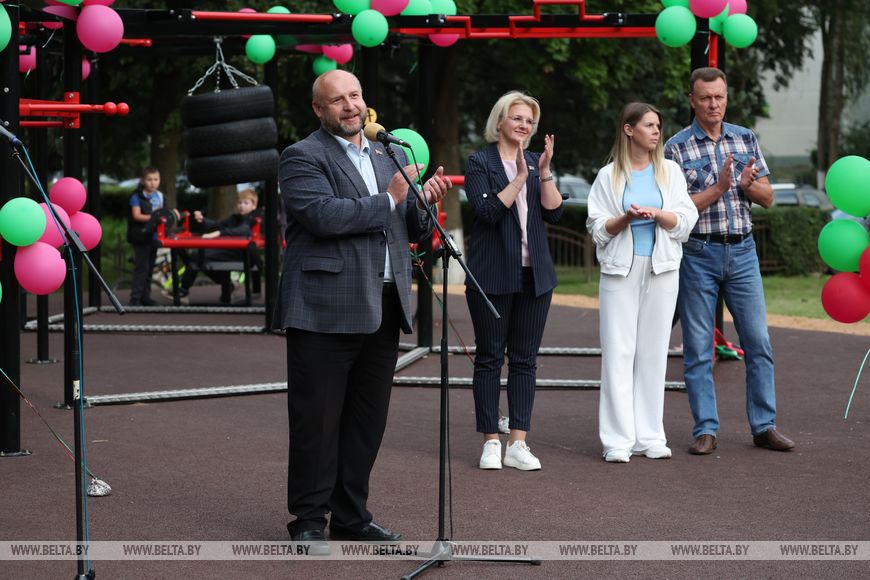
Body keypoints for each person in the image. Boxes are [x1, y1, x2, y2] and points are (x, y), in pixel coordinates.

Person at [273, 69, 450, 552]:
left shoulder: (389, 153)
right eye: (337, 100)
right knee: (316, 420)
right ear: (319, 109)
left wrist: (423, 203)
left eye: (354, 96)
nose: (349, 106)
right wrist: (391, 197)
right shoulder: (302, 156)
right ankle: (309, 520)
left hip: (384, 304)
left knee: (366, 422)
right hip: (324, 308)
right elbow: (323, 216)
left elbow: (407, 227)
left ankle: (351, 516)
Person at [664, 67, 795, 455]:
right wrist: (720, 188)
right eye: (705, 98)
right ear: (692, 100)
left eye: (719, 97)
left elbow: (768, 198)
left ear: (727, 98)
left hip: (742, 252)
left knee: (758, 342)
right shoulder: (675, 147)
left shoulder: (744, 137)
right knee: (698, 348)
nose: (713, 104)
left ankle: (764, 426)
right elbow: (676, 209)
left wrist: (747, 186)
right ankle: (705, 429)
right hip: (698, 253)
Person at [587, 102, 698, 463]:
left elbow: (685, 221)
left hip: (663, 268)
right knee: (618, 352)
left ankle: (649, 435)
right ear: (628, 129)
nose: (656, 131)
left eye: (658, 125)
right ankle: (617, 440)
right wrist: (626, 218)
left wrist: (659, 214)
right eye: (649, 125)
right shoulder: (608, 176)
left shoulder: (671, 172)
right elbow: (597, 228)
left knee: (653, 352)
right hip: (620, 270)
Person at [464, 91, 563, 471]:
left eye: (529, 121)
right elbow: (487, 210)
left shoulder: (538, 162)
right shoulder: (480, 162)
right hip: (491, 274)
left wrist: (543, 172)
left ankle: (518, 442)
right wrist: (520, 177)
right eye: (517, 118)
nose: (524, 125)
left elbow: (553, 213)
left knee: (525, 360)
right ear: (500, 120)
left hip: (535, 276)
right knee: (489, 357)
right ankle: (491, 440)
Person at [177, 188, 260, 304]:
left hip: (242, 254)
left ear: (254, 205)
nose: (242, 206)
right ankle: (227, 288)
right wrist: (203, 220)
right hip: (228, 252)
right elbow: (217, 225)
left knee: (197, 257)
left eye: (246, 203)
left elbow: (244, 230)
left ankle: (183, 290)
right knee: (197, 258)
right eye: (240, 202)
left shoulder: (254, 219)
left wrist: (220, 233)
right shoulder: (234, 218)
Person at [126, 167, 164, 306]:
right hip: (140, 237)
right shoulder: (136, 196)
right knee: (141, 269)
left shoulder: (160, 196)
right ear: (143, 181)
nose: (153, 182)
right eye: (149, 179)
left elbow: (164, 213)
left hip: (154, 237)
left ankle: (145, 297)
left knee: (150, 268)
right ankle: (135, 299)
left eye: (155, 179)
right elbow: (137, 215)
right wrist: (155, 218)